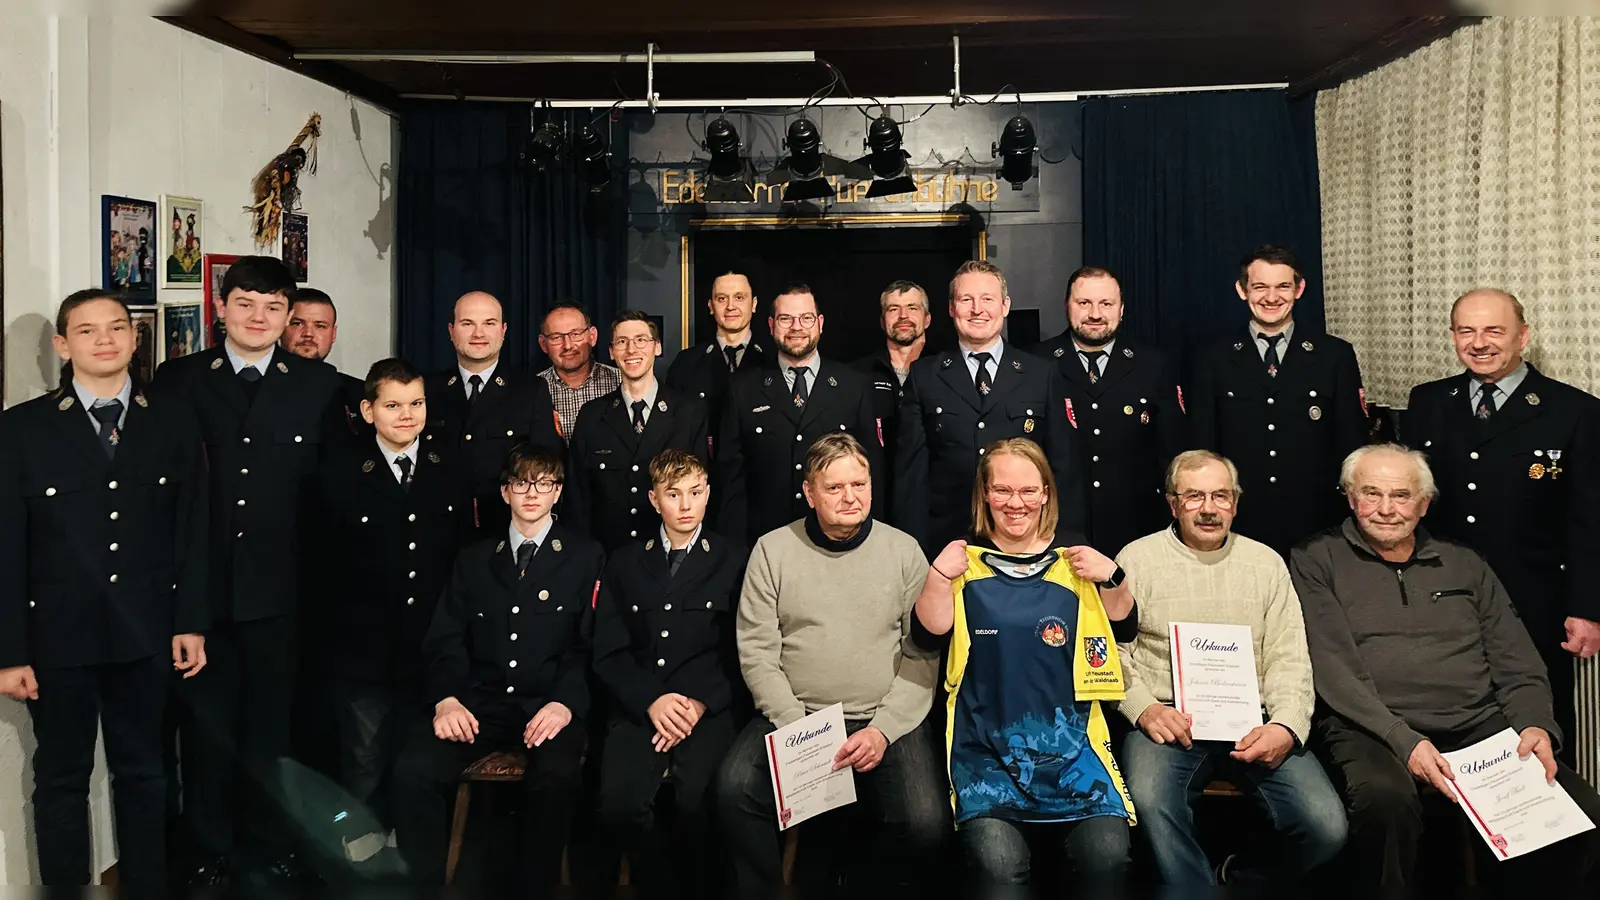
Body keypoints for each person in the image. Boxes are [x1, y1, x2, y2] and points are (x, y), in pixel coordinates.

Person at [1293, 444, 1600, 888]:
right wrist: (1404, 740)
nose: (1385, 509)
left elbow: (1518, 664)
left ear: (1423, 503)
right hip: (1372, 727)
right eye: (1370, 493)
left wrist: (1535, 725)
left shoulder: (1465, 563)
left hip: (1478, 725)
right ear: (1349, 496)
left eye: (1400, 496)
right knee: (1385, 803)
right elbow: (1332, 669)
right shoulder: (1315, 559)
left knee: (1580, 813)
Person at [0, 290, 208, 895]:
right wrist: (9, 651)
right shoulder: (22, 429)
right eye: (87, 331)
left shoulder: (171, 419)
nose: (105, 340)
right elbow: (8, 545)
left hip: (146, 634)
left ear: (135, 339)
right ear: (64, 345)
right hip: (56, 638)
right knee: (62, 777)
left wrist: (190, 622)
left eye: (117, 328)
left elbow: (191, 530)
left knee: (145, 773)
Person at [150, 255, 341, 885]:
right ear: (221, 309)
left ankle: (267, 850)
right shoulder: (177, 380)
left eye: (273, 307)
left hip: (283, 595)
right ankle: (207, 854)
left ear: (288, 317)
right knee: (203, 736)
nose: (259, 317)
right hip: (201, 593)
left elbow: (325, 502)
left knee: (271, 735)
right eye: (246, 304)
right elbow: (167, 497)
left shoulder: (319, 386)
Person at [716, 433, 946, 888]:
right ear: (809, 493)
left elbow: (923, 655)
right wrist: (796, 727)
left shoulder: (904, 552)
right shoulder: (772, 550)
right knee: (733, 789)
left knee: (925, 824)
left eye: (859, 484)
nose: (850, 497)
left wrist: (882, 730)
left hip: (885, 719)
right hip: (796, 715)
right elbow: (758, 651)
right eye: (835, 487)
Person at [912, 438, 1138, 887]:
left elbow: (1125, 628)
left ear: (1046, 493)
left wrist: (1112, 575)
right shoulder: (961, 561)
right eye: (1002, 491)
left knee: (1108, 859)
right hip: (986, 761)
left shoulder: (1076, 560)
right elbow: (927, 635)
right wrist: (938, 577)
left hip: (1075, 759)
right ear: (985, 495)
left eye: (1028, 491)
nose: (1016, 503)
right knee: (999, 869)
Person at [1115, 450, 1347, 885]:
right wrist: (1144, 708)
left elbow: (1289, 656)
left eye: (1221, 496)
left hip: (1253, 722)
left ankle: (1240, 878)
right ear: (1172, 503)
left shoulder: (1265, 564)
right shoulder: (1137, 558)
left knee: (1325, 826)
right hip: (1169, 721)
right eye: (1194, 496)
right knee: (1148, 799)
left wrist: (1286, 725)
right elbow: (1114, 652)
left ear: (1236, 504)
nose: (1208, 508)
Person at [1402, 288, 1600, 767]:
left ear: (1523, 336)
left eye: (1494, 330)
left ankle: (1551, 840)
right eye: (1466, 331)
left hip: (1533, 600)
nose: (1479, 342)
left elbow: (1589, 519)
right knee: (1451, 731)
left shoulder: (1573, 411)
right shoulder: (1427, 403)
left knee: (1539, 731)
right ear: (1453, 337)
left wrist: (1587, 608)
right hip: (1442, 599)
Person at [390, 443, 601, 891]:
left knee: (557, 777)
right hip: (479, 702)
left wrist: (565, 703)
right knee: (413, 770)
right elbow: (446, 636)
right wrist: (447, 699)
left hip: (547, 703)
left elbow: (588, 645)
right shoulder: (473, 558)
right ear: (505, 492)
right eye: (522, 483)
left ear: (558, 492)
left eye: (544, 484)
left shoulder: (585, 557)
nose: (532, 494)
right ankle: (423, 887)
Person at [299, 358, 473, 821]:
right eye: (393, 405)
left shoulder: (449, 466)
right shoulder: (337, 472)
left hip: (432, 646)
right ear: (368, 410)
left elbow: (461, 558)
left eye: (416, 403)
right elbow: (318, 568)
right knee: (363, 764)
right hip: (364, 650)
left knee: (421, 767)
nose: (407, 415)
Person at [592, 449, 747, 893]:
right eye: (673, 494)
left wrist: (699, 702)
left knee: (699, 802)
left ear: (708, 495)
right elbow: (608, 650)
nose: (685, 505)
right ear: (653, 499)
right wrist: (650, 700)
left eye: (695, 493)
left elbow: (743, 649)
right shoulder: (624, 561)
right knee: (619, 806)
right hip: (643, 705)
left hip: (707, 709)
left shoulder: (736, 559)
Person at [896, 259, 1084, 559]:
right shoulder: (925, 376)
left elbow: (1063, 468)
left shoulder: (1041, 374)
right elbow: (911, 477)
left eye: (987, 299)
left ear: (1005, 306)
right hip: (948, 542)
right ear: (951, 308)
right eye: (966, 299)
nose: (977, 309)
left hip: (1026, 543)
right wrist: (913, 550)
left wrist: (1066, 541)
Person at [1188, 245, 1368, 556]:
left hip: (1316, 521)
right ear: (1242, 290)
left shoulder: (1334, 356)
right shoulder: (1212, 358)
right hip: (1240, 519)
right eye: (1260, 287)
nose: (1272, 297)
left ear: (1299, 289)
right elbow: (1203, 446)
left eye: (1283, 286)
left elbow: (1351, 443)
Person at [1030, 266, 1185, 556]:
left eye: (1106, 304)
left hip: (1136, 527)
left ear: (1122, 309)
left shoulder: (1154, 365)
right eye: (1084, 303)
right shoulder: (1036, 364)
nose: (1095, 314)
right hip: (1057, 528)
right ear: (1067, 306)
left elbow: (1170, 453)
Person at [713, 282, 882, 546]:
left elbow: (872, 472)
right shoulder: (742, 389)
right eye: (785, 319)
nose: (796, 327)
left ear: (820, 323)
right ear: (771, 325)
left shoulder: (854, 386)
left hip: (838, 539)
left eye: (806, 318)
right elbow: (730, 480)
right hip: (765, 541)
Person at [565, 310, 710, 551]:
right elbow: (578, 500)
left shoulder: (689, 411)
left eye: (641, 340)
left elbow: (700, 491)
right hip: (609, 554)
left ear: (657, 347)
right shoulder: (592, 415)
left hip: (669, 554)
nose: (632, 350)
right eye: (622, 342)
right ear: (612, 352)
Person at [424, 291, 563, 539]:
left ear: (503, 330)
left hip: (503, 535)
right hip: (437, 533)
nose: (479, 334)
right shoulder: (427, 390)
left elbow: (546, 468)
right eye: (468, 324)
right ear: (451, 330)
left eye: (489, 323)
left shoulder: (530, 390)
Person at [853, 280, 933, 522]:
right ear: (882, 320)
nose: (903, 316)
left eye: (912, 307)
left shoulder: (945, 372)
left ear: (927, 319)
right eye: (893, 309)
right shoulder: (857, 376)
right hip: (873, 506)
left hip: (931, 506)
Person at [665, 269, 774, 445]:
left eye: (739, 297)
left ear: (753, 304)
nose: (731, 306)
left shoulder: (773, 360)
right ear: (710, 306)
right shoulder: (686, 363)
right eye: (722, 298)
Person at [283, 287, 371, 444]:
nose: (308, 333)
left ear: (333, 334)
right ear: (281, 327)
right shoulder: (258, 386)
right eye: (297, 323)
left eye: (320, 326)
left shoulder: (360, 393)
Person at [538, 301, 621, 441]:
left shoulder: (621, 382)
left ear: (592, 336)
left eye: (576, 334)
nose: (568, 345)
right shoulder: (533, 391)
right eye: (556, 337)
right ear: (543, 344)